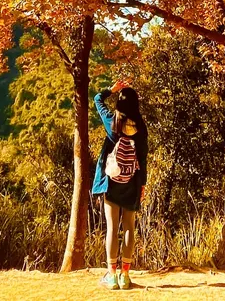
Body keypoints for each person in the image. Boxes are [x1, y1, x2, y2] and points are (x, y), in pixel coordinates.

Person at [92, 78, 148, 290]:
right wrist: (142, 184)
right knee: (129, 228)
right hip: (132, 182)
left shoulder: (112, 122)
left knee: (112, 227)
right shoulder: (141, 128)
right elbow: (143, 158)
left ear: (120, 104)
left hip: (112, 181)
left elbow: (97, 100)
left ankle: (112, 276)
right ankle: (125, 276)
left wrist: (111, 90)